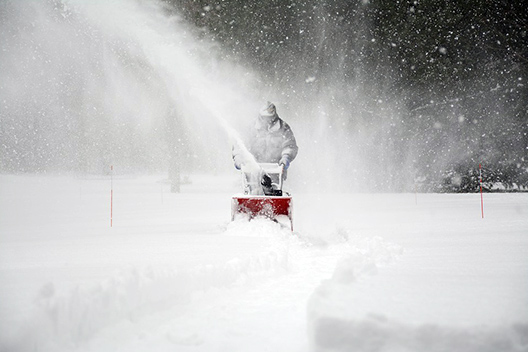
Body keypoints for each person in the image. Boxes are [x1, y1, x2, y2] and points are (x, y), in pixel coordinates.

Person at [232, 102, 298, 194]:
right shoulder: (251, 128)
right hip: (253, 170)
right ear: (260, 116)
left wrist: (285, 158)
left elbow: (289, 145)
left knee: (274, 192)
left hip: (276, 169)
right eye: (265, 118)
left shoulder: (283, 128)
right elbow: (240, 145)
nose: (268, 121)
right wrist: (238, 158)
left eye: (270, 118)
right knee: (253, 193)